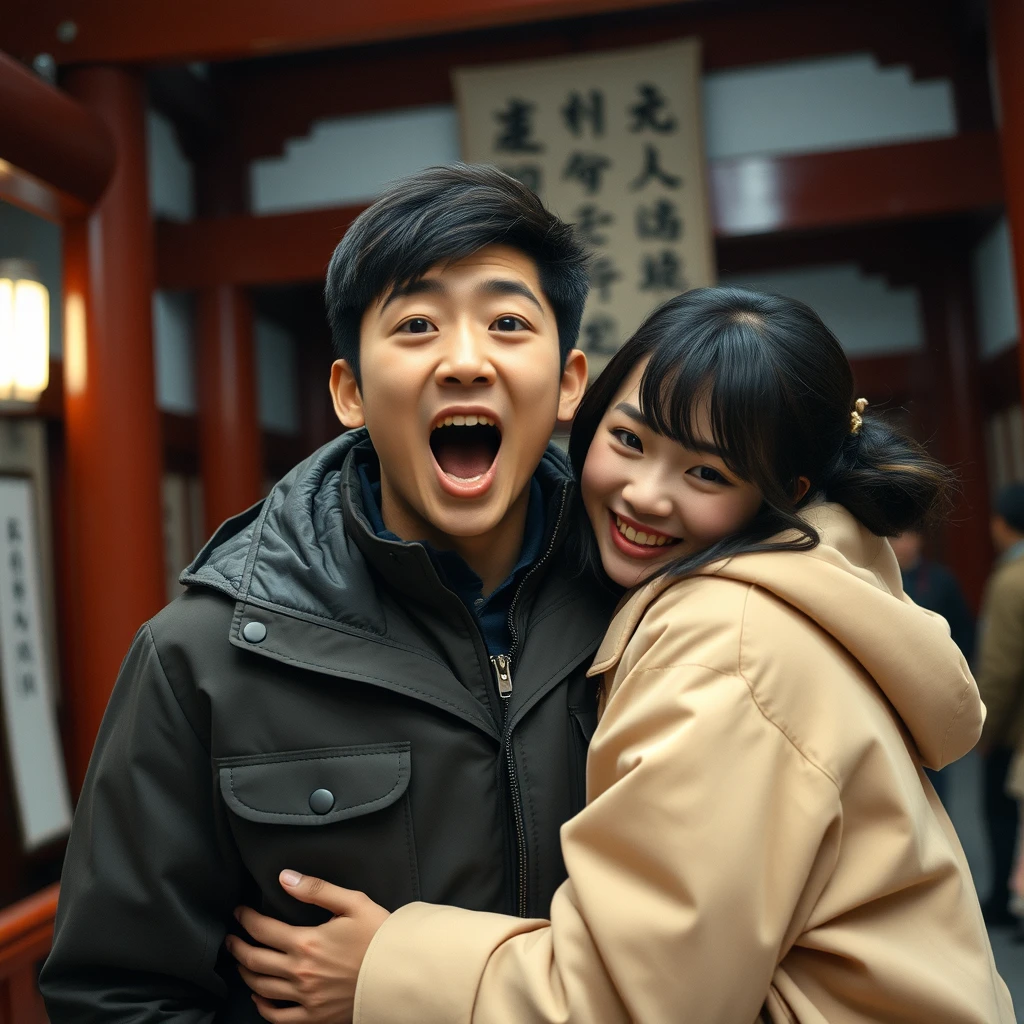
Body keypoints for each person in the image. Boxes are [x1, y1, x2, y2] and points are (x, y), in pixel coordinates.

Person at [227, 288, 1013, 1023]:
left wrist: (384, 969)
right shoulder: (798, 586)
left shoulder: (724, 647)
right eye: (629, 440)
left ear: (780, 491)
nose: (644, 493)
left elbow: (646, 1000)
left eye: (706, 472)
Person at [39, 164, 618, 1021]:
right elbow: (114, 994)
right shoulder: (202, 654)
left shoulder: (659, 607)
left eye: (506, 322)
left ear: (569, 383)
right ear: (349, 391)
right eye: (417, 324)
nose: (465, 360)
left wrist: (398, 981)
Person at [889, 528, 976, 803]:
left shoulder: (941, 581)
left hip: (933, 691)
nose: (903, 543)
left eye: (908, 535)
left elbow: (964, 633)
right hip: (894, 688)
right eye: (895, 536)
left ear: (921, 539)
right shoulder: (877, 580)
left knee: (935, 772)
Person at [975, 482, 1024, 927]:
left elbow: (1002, 670)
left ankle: (1005, 900)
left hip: (1013, 728)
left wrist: (984, 731)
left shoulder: (1011, 580)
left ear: (1003, 523)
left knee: (1002, 811)